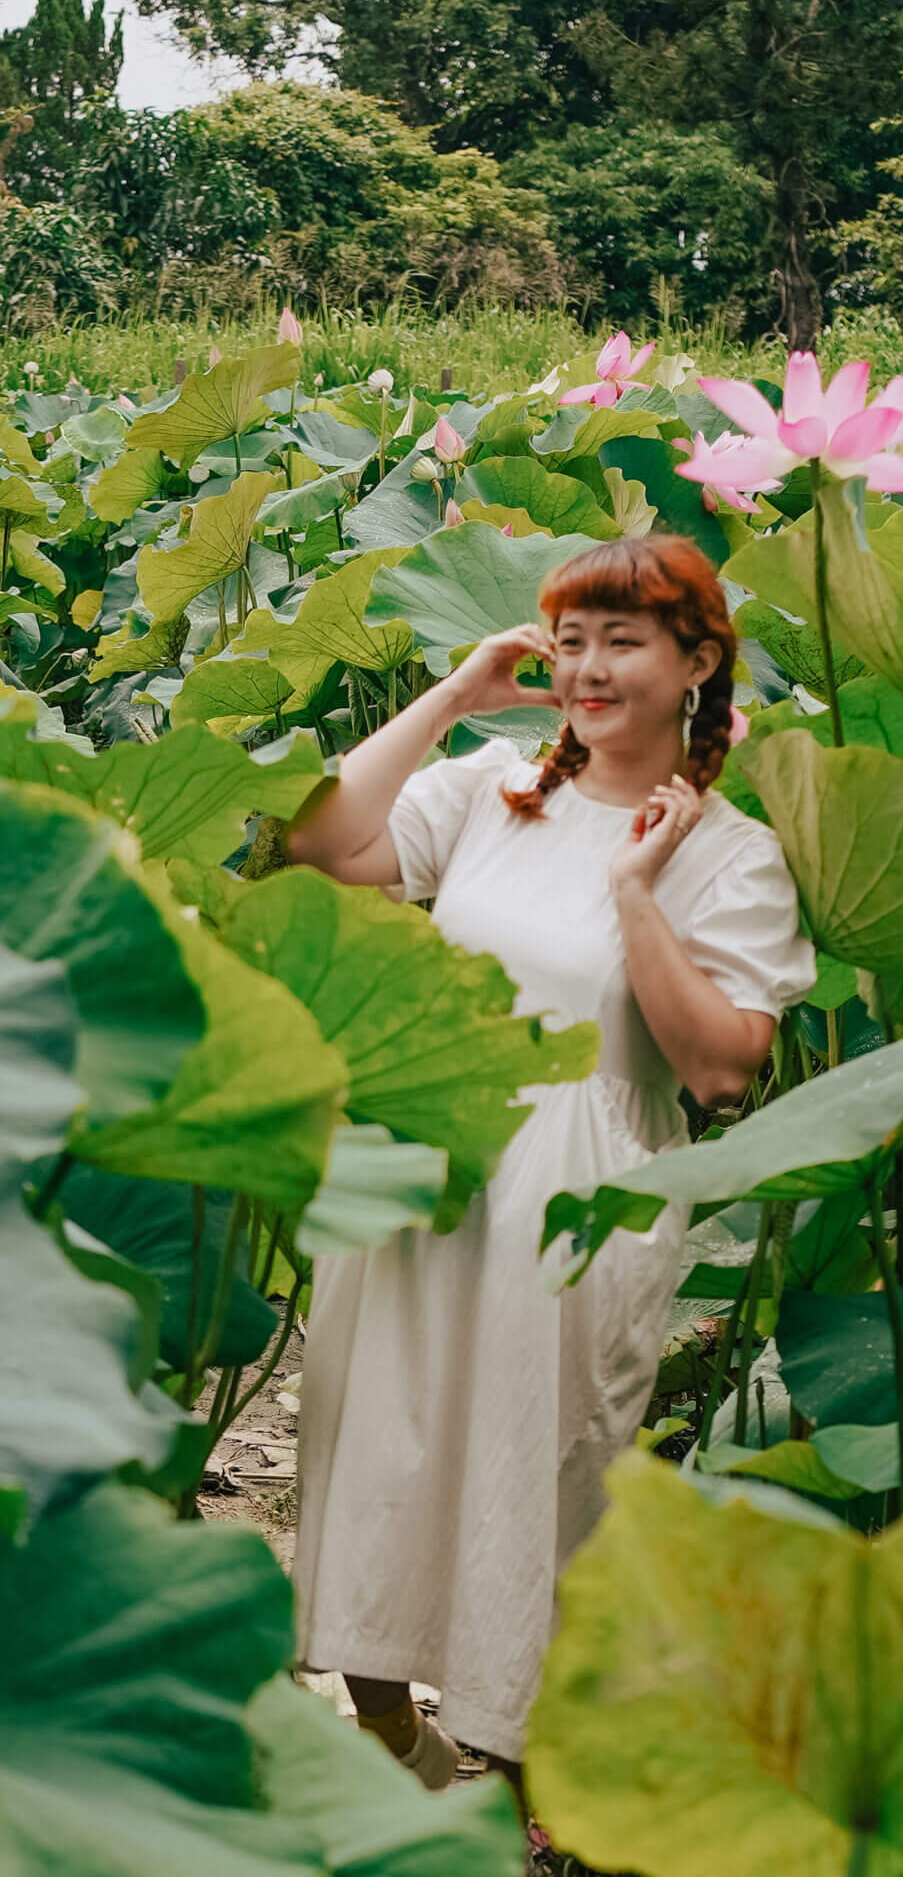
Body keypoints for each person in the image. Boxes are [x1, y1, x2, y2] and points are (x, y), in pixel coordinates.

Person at [283, 534, 815, 1792]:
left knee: (536, 1477)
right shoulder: (488, 786)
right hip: (424, 1148)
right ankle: (398, 1744)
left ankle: (527, 1778)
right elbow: (323, 846)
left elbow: (724, 1069)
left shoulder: (729, 853)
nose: (585, 668)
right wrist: (454, 697)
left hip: (581, 1193)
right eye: (569, 638)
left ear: (697, 662)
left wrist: (637, 888)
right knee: (380, 1455)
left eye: (621, 640)